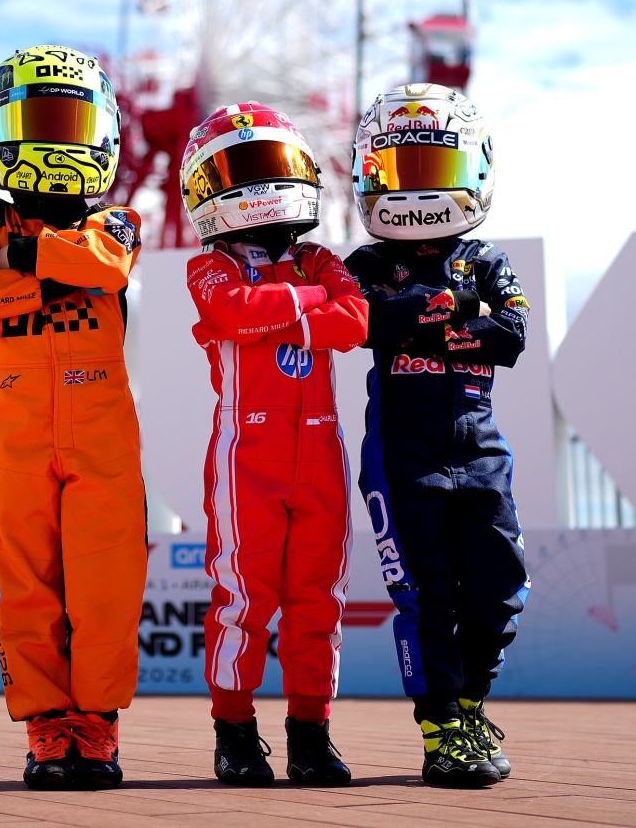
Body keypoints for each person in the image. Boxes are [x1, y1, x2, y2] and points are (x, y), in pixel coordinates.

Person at [0, 45, 145, 791]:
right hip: (17, 437)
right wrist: (55, 263)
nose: (61, 136)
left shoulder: (119, 221)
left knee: (106, 590)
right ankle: (45, 730)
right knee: (27, 588)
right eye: (42, 120)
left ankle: (96, 730)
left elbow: (108, 268)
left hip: (103, 436)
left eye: (74, 120)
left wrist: (23, 257)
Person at [178, 104, 369, 787]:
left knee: (320, 599)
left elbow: (355, 322)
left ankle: (309, 737)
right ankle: (234, 735)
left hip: (321, 451)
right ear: (204, 191)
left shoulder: (317, 255)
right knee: (242, 599)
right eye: (241, 170)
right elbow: (232, 311)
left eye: (274, 165)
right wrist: (308, 303)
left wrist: (281, 314)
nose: (261, 185)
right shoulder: (210, 265)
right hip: (244, 456)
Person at [345, 82, 529, 788]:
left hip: (479, 446)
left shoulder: (488, 258)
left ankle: (470, 705)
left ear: (472, 170)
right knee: (427, 594)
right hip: (400, 448)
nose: (417, 185)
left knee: (502, 585)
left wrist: (427, 317)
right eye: (401, 168)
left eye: (433, 166)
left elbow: (510, 335)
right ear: (370, 172)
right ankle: (440, 727)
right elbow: (365, 324)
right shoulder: (364, 265)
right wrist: (450, 312)